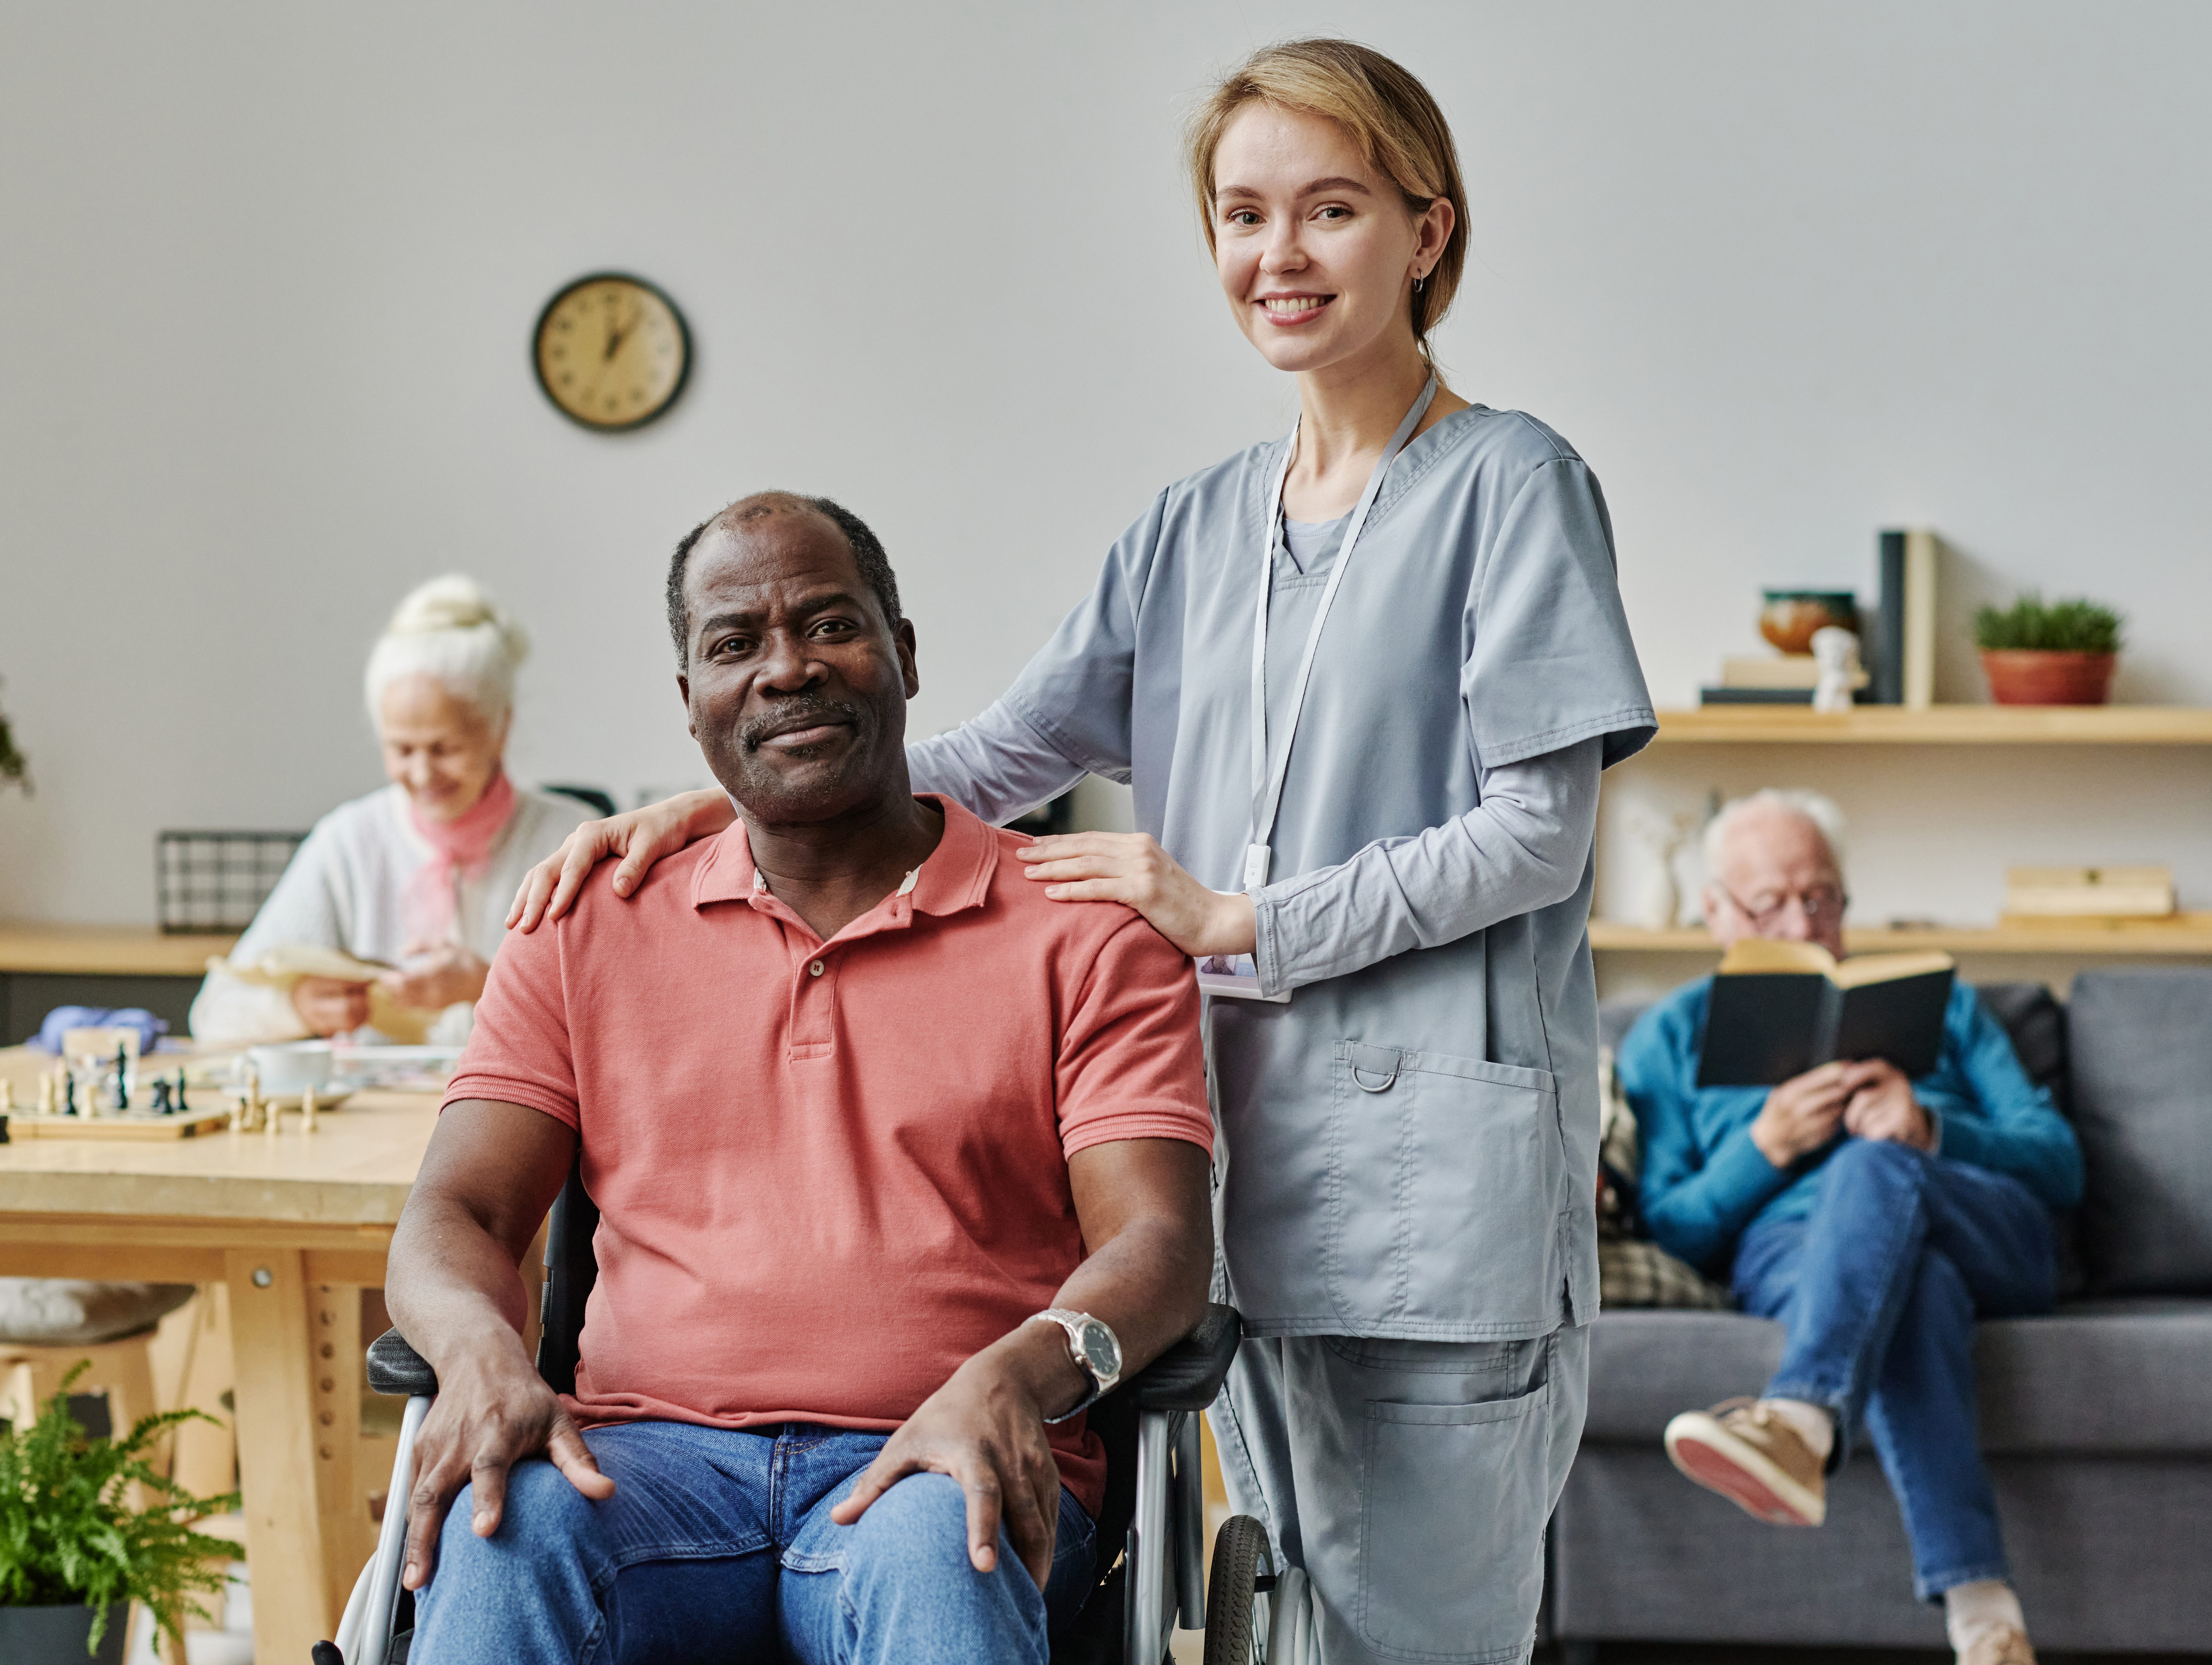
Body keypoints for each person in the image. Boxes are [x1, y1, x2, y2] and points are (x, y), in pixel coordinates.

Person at [505, 40, 1654, 1663]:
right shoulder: (1190, 528)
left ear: (1427, 233)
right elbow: (977, 758)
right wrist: (717, 807)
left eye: (1330, 209)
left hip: (1431, 1201)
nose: (1281, 254)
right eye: (1243, 215)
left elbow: (1540, 834)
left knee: (1415, 1641)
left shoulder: (1514, 485)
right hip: (1236, 1182)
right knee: (1287, 1628)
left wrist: (1232, 918)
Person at [389, 494, 1217, 1662]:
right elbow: (456, 1211)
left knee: (950, 1544)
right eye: (735, 644)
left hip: (940, 1456)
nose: (787, 670)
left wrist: (1017, 1378)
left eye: (829, 625)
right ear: (691, 705)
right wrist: (480, 1353)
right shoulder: (585, 925)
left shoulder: (1084, 929)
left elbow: (1162, 1242)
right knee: (501, 1525)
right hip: (645, 1467)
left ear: (906, 655)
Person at [1615, 790, 2084, 1665]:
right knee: (1914, 1287)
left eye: (1821, 897)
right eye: (1769, 903)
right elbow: (1672, 1230)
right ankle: (1985, 1618)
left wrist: (1932, 1130)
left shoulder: (1943, 1007)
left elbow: (2058, 1162)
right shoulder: (1669, 1036)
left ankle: (1796, 1418)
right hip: (1799, 1252)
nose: (1802, 922)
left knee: (1871, 1166)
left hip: (1983, 1222)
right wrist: (1761, 1148)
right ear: (1715, 910)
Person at [188, 576, 591, 1046]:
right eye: (402, 749)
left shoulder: (570, 841)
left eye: (445, 748)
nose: (422, 774)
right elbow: (214, 1012)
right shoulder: (348, 842)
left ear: (500, 728)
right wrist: (297, 1006)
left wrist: (489, 985)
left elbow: (620, 1017)